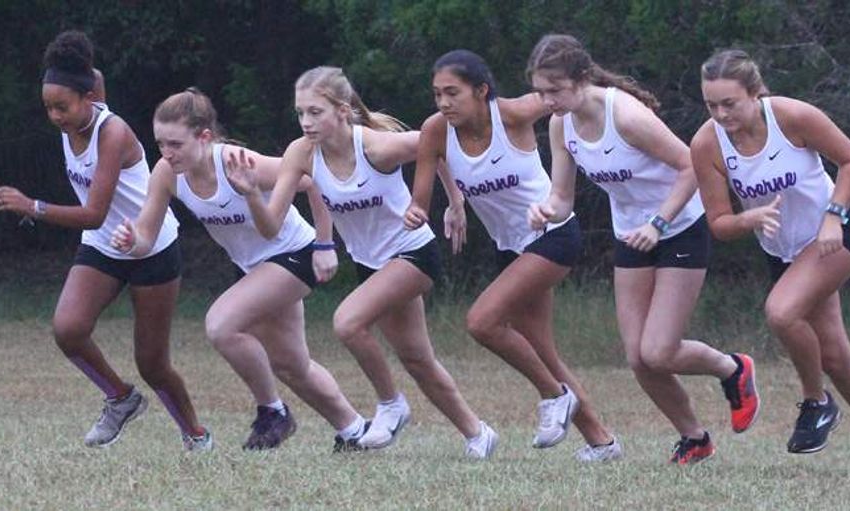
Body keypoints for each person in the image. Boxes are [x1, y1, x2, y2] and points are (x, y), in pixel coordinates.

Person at [238, 66, 498, 459]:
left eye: (315, 112)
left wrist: (454, 203)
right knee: (417, 359)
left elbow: (435, 141)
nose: (306, 122)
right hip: (371, 263)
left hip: (413, 252)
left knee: (347, 322)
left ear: (342, 111)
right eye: (300, 113)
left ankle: (391, 405)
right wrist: (252, 195)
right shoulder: (301, 154)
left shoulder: (376, 147)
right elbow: (272, 226)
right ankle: (478, 434)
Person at [525, 34, 757, 465]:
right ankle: (694, 438)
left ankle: (734, 369)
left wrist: (659, 222)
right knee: (639, 358)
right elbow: (561, 198)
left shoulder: (626, 116)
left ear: (581, 79)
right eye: (540, 91)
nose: (547, 100)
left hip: (680, 227)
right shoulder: (561, 125)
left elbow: (691, 164)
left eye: (554, 90)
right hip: (632, 234)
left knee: (659, 350)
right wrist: (544, 212)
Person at [690, 48, 850, 476]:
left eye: (730, 103)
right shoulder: (706, 144)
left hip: (833, 239)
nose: (720, 114)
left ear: (756, 94)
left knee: (780, 311)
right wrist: (747, 219)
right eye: (711, 105)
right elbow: (719, 223)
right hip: (784, 253)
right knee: (834, 355)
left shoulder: (792, 117)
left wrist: (835, 216)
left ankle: (817, 402)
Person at [112, 88, 368, 451]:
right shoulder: (167, 173)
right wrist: (130, 240)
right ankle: (356, 432)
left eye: (175, 144)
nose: (166, 154)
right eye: (160, 144)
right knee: (292, 365)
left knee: (221, 324)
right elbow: (146, 236)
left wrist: (326, 245)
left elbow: (311, 178)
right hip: (253, 268)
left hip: (295, 253)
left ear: (204, 137)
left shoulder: (236, 161)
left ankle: (273, 412)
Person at [0, 31, 210, 450]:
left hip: (150, 246)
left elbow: (94, 212)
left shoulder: (113, 134)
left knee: (152, 363)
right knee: (68, 329)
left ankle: (196, 435)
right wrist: (73, 63)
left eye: (62, 106)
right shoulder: (78, 108)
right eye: (48, 107)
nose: (55, 115)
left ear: (88, 98)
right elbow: (93, 74)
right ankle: (121, 399)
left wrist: (31, 206)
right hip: (104, 245)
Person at [405, 49, 621, 462]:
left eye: (453, 93)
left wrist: (621, 106)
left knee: (482, 322)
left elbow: (571, 95)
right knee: (542, 351)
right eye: (437, 95)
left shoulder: (513, 114)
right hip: (511, 248)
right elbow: (420, 199)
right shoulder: (435, 131)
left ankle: (554, 396)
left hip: (554, 233)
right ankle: (602, 442)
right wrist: (424, 211)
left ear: (481, 90)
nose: (443, 103)